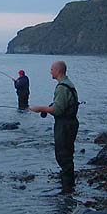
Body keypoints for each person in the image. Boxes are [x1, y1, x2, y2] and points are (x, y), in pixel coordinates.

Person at [29, 61, 79, 194]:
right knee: (67, 154)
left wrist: (40, 108)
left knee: (63, 156)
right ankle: (68, 185)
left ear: (58, 71)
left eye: (51, 69)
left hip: (65, 125)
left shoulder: (62, 87)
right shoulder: (68, 84)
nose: (50, 72)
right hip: (70, 123)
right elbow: (62, 105)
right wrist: (48, 108)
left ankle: (67, 189)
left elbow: (57, 110)